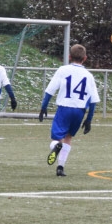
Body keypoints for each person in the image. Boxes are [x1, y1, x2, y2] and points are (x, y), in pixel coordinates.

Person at [39, 44, 98, 177]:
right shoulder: (89, 75)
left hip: (64, 108)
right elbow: (93, 100)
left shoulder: (63, 70)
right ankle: (60, 167)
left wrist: (43, 107)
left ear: (69, 56)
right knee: (68, 137)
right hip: (79, 111)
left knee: (56, 138)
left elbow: (50, 90)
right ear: (85, 58)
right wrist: (89, 120)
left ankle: (56, 146)